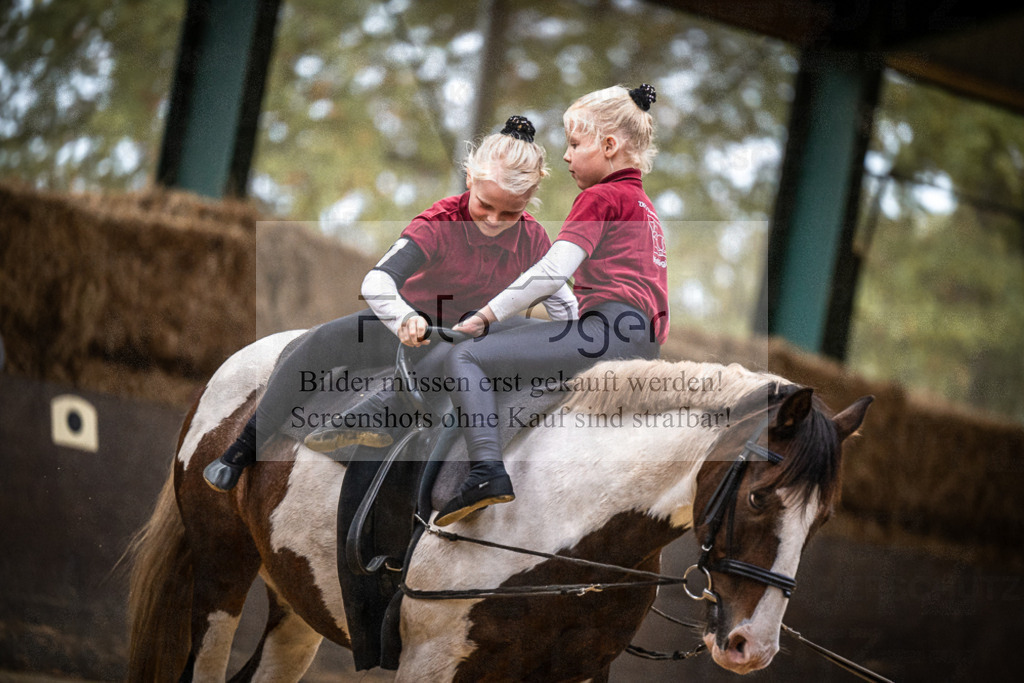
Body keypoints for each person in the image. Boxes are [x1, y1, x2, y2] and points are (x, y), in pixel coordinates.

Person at [204, 115, 576, 492]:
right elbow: (377, 280)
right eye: (485, 205)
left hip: (471, 338)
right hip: (406, 326)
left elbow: (563, 303)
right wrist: (404, 317)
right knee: (316, 344)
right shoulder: (437, 220)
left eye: (510, 212)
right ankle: (242, 449)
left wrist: (571, 347)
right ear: (470, 179)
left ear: (529, 201)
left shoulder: (534, 239)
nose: (495, 220)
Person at [433, 83, 669, 526]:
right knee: (499, 337)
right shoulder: (644, 205)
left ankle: (485, 472)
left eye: (575, 144)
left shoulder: (601, 196)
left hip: (608, 334)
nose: (566, 156)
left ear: (610, 145)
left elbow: (551, 273)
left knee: (467, 354)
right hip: (641, 342)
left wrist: (486, 313)